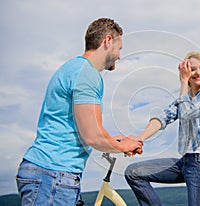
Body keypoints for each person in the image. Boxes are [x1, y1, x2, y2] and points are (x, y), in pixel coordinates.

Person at [16, 18, 143, 206]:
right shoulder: (87, 74)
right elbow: (93, 137)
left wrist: (119, 141)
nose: (119, 56)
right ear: (108, 41)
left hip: (48, 174)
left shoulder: (72, 68)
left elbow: (84, 130)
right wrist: (123, 146)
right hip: (53, 175)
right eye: (119, 48)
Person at [125, 51, 200, 206]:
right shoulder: (185, 98)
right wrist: (139, 139)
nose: (198, 72)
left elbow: (187, 112)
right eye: (192, 69)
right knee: (134, 173)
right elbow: (163, 117)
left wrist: (184, 82)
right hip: (186, 161)